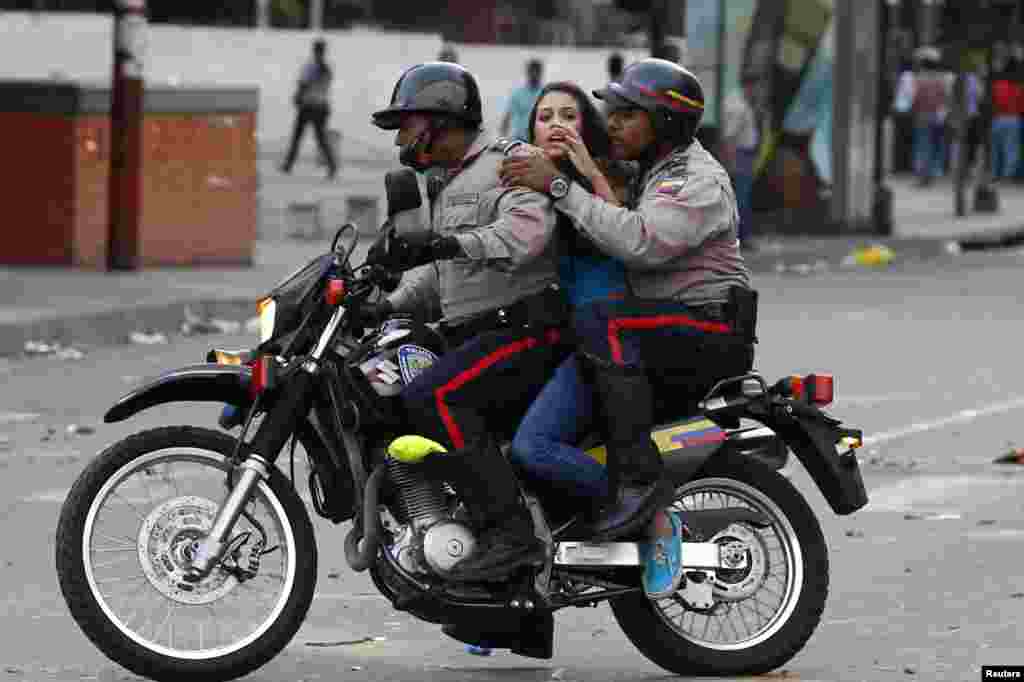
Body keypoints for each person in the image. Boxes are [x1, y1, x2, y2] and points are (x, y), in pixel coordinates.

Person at [500, 58, 756, 548]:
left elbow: (642, 242)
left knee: (605, 319)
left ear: (663, 121)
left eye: (627, 114)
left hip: (705, 327)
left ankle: (638, 482)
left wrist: (559, 187)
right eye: (611, 112)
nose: (611, 122)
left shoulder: (695, 177)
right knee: (535, 442)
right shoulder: (644, 172)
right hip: (644, 331)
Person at [368, 61, 567, 583]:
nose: (402, 141)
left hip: (526, 328)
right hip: (477, 331)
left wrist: (449, 242)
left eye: (408, 126)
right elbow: (442, 271)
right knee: (388, 366)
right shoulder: (448, 182)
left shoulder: (511, 162)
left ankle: (510, 533)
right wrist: (385, 302)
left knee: (435, 395)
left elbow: (525, 238)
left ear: (441, 120)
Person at [504, 80, 687, 600]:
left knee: (533, 447)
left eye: (569, 114)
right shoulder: (521, 182)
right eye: (545, 116)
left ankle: (651, 516)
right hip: (552, 336)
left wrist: (582, 169)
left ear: (587, 125)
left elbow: (626, 235)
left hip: (607, 339)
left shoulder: (614, 176)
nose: (557, 124)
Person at [894, 46, 954, 187]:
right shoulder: (944, 78)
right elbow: (948, 98)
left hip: (922, 115)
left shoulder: (916, 78)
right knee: (936, 145)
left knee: (922, 145)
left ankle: (923, 175)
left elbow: (910, 98)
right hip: (939, 116)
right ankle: (932, 173)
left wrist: (906, 109)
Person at [280, 38, 338, 179]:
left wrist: (298, 96)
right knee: (320, 139)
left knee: (298, 136)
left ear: (314, 51)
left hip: (308, 106)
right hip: (321, 107)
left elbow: (303, 84)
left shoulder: (311, 67)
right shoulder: (327, 68)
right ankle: (332, 166)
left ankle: (288, 165)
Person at [720, 73, 760, 249]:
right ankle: (741, 237)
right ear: (750, 86)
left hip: (742, 154)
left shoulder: (741, 102)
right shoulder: (737, 106)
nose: (759, 92)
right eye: (758, 88)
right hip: (739, 155)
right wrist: (731, 162)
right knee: (741, 198)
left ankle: (740, 237)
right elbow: (729, 137)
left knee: (740, 197)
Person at [991, 58, 1022, 180]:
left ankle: (995, 172)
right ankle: (1008, 173)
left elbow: (993, 102)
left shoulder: (997, 86)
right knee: (1011, 148)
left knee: (996, 149)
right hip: (1014, 119)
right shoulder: (1019, 87)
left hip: (997, 118)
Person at [500, 58, 544, 142]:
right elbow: (506, 118)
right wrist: (501, 139)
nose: (534, 74)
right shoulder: (517, 93)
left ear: (540, 73)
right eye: (532, 71)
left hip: (538, 141)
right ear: (527, 73)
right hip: (520, 140)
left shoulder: (546, 93)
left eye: (536, 72)